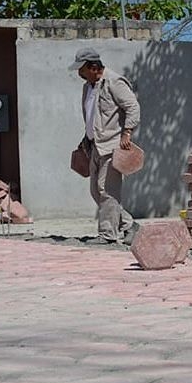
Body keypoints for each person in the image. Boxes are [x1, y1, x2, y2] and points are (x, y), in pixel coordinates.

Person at [70, 47, 140, 245]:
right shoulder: (88, 87)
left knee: (106, 189)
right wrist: (86, 138)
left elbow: (132, 107)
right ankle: (128, 224)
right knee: (95, 190)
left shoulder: (114, 82)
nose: (79, 74)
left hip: (112, 144)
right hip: (94, 145)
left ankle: (108, 234)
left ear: (93, 67)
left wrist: (127, 132)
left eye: (81, 69)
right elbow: (93, 116)